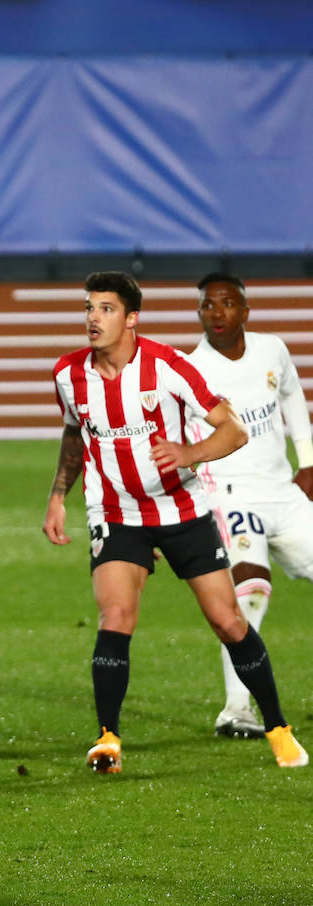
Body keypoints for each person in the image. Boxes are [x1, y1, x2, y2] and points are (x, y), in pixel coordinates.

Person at [42, 271, 307, 772]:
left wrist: (190, 453)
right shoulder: (68, 374)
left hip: (182, 510)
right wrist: (58, 496)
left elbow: (233, 430)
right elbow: (75, 432)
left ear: (132, 318)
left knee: (228, 621)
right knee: (116, 616)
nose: (94, 318)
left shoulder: (168, 366)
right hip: (117, 514)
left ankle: (277, 727)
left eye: (106, 309)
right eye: (89, 308)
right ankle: (108, 739)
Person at [185, 272, 313, 738]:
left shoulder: (272, 350)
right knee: (250, 589)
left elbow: (292, 396)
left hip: (283, 492)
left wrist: (308, 461)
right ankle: (237, 710)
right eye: (208, 305)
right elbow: (182, 442)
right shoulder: (191, 369)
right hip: (228, 493)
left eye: (226, 303)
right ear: (199, 313)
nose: (217, 313)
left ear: (245, 310)